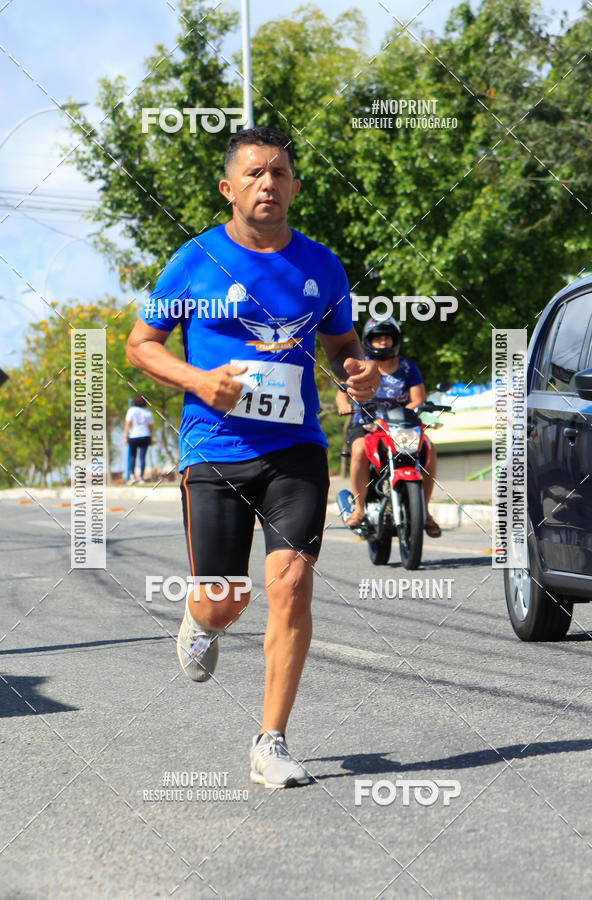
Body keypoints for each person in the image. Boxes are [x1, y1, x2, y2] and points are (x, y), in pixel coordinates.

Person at [125, 126, 379, 789]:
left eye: (281, 172)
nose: (269, 182)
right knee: (222, 598)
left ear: (295, 185)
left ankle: (271, 742)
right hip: (215, 451)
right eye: (256, 172)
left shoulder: (321, 264)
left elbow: (341, 343)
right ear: (229, 187)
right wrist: (199, 381)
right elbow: (140, 345)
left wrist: (358, 372)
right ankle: (200, 619)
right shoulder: (195, 260)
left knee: (291, 585)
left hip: (295, 448)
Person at [335, 316, 442, 537]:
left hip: (401, 426)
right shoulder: (361, 365)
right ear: (368, 341)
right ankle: (359, 508)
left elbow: (418, 399)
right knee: (359, 451)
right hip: (366, 425)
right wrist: (344, 405)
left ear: (396, 340)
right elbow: (342, 393)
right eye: (378, 338)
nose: (383, 342)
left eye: (387, 338)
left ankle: (425, 511)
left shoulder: (407, 367)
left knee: (429, 449)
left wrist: (400, 413)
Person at [124, 395, 154, 483]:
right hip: (145, 436)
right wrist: (151, 438)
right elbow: (150, 427)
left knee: (133, 456)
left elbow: (127, 424)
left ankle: (132, 476)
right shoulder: (148, 412)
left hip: (133, 436)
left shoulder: (131, 410)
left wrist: (126, 437)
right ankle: (141, 477)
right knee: (142, 457)